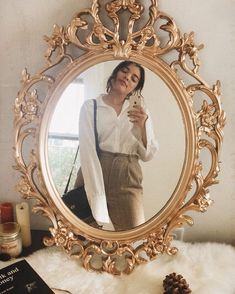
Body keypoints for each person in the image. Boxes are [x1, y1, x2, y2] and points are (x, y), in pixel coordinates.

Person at [76, 61, 159, 231]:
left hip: (127, 174)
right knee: (85, 233)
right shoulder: (90, 107)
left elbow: (148, 155)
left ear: (135, 88)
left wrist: (142, 127)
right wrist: (96, 196)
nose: (127, 77)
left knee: (133, 234)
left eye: (134, 78)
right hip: (94, 168)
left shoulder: (142, 113)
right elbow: (87, 151)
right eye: (125, 71)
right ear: (115, 75)